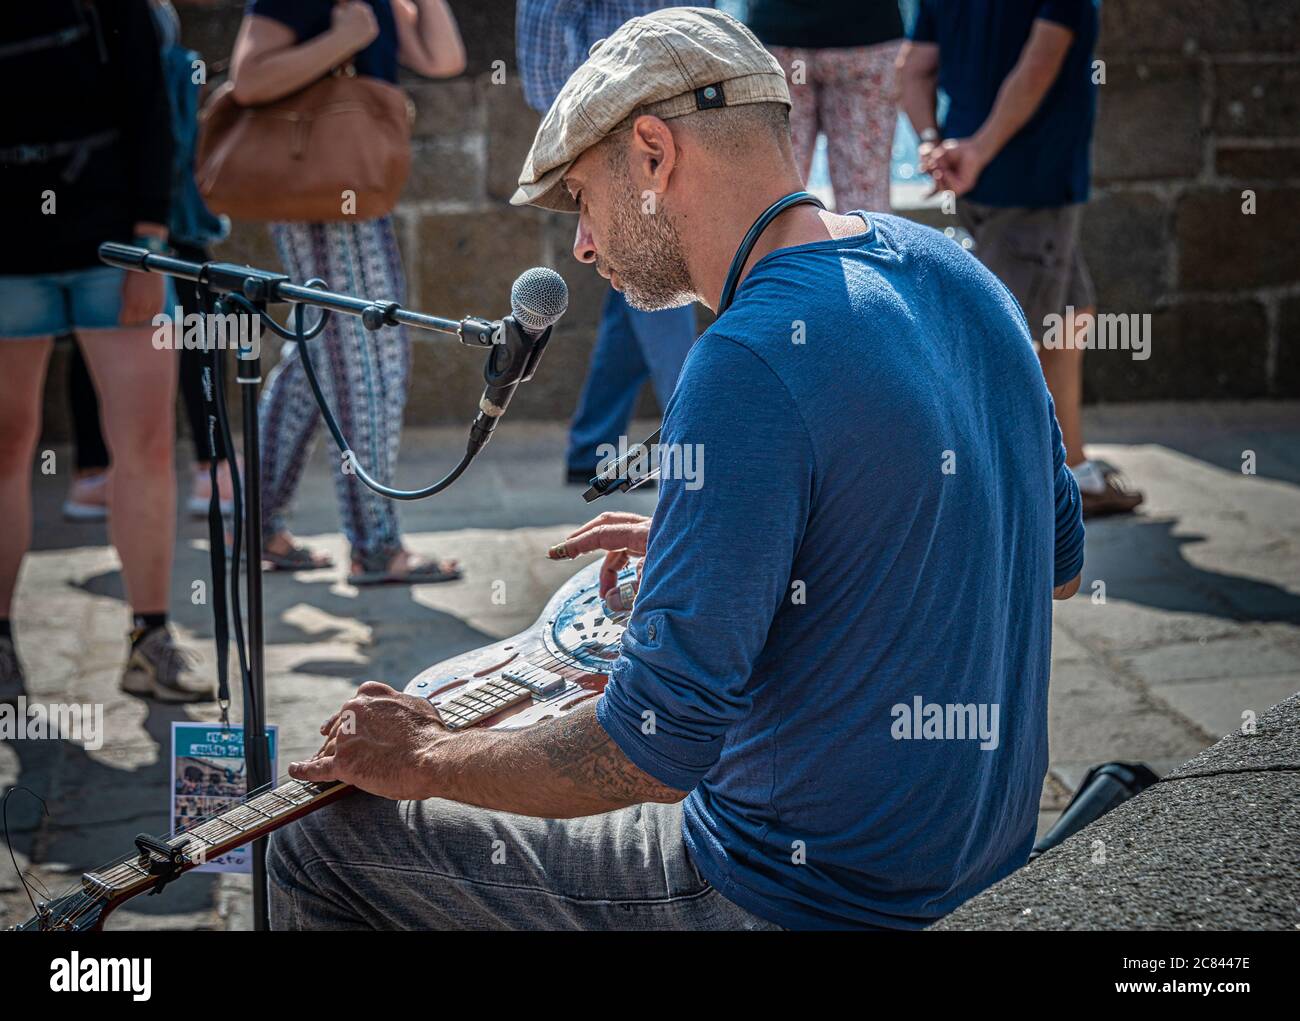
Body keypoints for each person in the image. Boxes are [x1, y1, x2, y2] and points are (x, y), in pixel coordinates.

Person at [266, 8, 1084, 931]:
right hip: (983, 862)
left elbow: (649, 750)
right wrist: (756, 537)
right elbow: (1052, 566)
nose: (580, 243)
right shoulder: (960, 274)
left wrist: (428, 753)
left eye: (581, 194)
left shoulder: (746, 356)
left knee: (318, 845)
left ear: (652, 154)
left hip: (791, 893)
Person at [0, 0, 212, 704]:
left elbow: (154, 111)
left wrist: (148, 246)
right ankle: (0, 642)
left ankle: (150, 636)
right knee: (5, 448)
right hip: (10, 257)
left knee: (148, 445)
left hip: (116, 245)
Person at [228, 0, 466, 583]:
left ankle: (256, 525)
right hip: (324, 188)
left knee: (316, 354)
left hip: (353, 184)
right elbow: (249, 79)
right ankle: (375, 546)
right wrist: (345, 38)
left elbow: (443, 58)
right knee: (369, 355)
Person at [898, 0, 1143, 518]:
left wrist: (931, 143)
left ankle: (1074, 471)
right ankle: (976, 500)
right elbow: (1039, 64)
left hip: (976, 173)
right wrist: (981, 151)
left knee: (1071, 318)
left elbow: (913, 68)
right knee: (998, 344)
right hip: (1032, 180)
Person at [63, 0, 237, 525]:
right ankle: (211, 469)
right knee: (201, 323)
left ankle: (92, 475)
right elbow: (154, 120)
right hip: (153, 211)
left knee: (93, 335)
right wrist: (153, 228)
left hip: (101, 210)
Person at [516, 0, 701, 485]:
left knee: (637, 297)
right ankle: (694, 446)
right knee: (659, 270)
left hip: (672, 125)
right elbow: (544, 20)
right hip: (624, 134)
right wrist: (585, 131)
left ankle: (591, 447)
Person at [746, 0, 903, 213]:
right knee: (865, 195)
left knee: (773, 193)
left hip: (780, 36)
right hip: (866, 38)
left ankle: (771, 244)